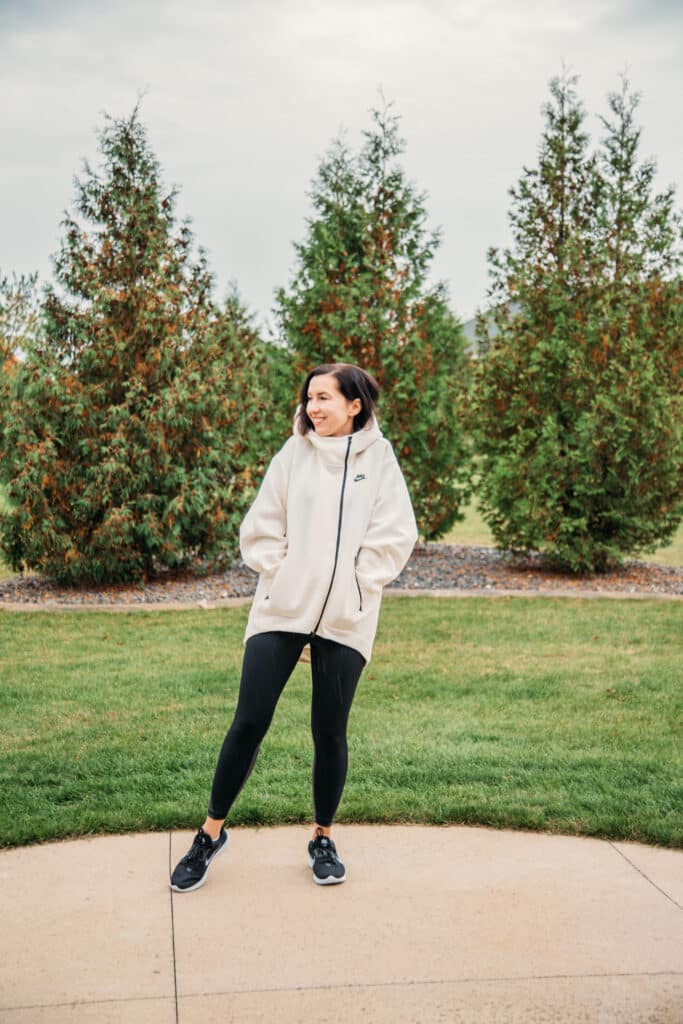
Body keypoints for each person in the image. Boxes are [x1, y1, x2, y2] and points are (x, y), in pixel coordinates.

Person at [170, 362, 418, 892]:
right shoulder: (293, 455)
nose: (314, 407)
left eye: (326, 398)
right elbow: (261, 526)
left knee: (329, 732)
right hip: (281, 610)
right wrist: (283, 578)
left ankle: (322, 837)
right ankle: (209, 835)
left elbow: (396, 534)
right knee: (248, 722)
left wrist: (357, 584)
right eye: (310, 398)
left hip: (345, 618)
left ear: (356, 405)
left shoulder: (380, 461)